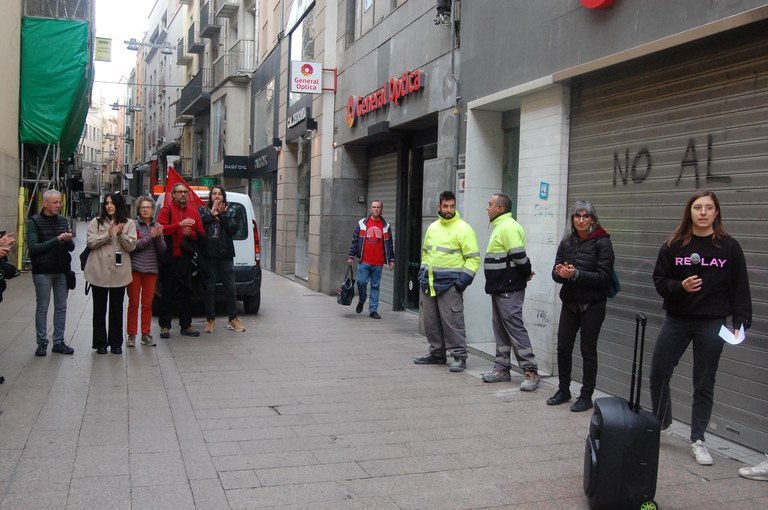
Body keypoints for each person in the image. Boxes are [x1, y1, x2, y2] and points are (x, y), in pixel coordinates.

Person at [649, 190, 751, 466]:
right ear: (689, 212)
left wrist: (741, 321)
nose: (703, 212)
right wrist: (679, 287)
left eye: (708, 208)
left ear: (716, 212)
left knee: (704, 382)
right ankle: (662, 421)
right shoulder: (674, 245)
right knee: (659, 371)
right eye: (697, 207)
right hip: (677, 319)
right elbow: (660, 281)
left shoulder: (729, 247)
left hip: (712, 323)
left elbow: (740, 287)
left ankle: (698, 439)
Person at [548, 200, 615, 412]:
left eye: (586, 216)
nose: (581, 220)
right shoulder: (567, 241)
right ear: (572, 219)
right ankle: (564, 389)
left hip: (593, 304)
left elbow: (603, 277)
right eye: (578, 216)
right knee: (563, 347)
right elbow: (555, 273)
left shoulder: (602, 242)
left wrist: (576, 274)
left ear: (593, 219)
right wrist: (560, 273)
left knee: (588, 350)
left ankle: (586, 396)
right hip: (570, 302)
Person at [413, 191, 480, 372]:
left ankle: (459, 356)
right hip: (429, 283)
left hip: (450, 285)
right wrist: (422, 274)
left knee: (453, 322)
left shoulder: (464, 229)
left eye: (452, 206)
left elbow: (473, 259)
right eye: (445, 206)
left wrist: (461, 284)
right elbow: (426, 253)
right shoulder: (433, 227)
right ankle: (437, 353)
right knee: (431, 322)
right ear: (439, 207)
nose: (449, 210)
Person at [481, 193, 541, 391]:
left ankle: (531, 372)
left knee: (514, 327)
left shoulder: (507, 227)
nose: (487, 208)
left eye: (490, 204)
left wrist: (525, 274)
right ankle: (502, 368)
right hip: (500, 287)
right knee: (500, 328)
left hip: (508, 287)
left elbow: (519, 256)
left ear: (500, 208)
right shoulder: (501, 226)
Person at [85, 192, 137, 354]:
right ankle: (100, 343)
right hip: (98, 269)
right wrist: (106, 235)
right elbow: (91, 242)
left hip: (119, 272)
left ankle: (115, 343)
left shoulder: (128, 223)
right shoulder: (96, 222)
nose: (109, 206)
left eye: (112, 203)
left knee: (116, 309)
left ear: (118, 205)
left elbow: (131, 246)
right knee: (99, 309)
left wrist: (121, 235)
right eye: (106, 203)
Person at [27, 189, 76, 357]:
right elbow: (33, 248)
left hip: (61, 270)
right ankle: (41, 343)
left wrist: (68, 241)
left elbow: (71, 248)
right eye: (55, 202)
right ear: (45, 203)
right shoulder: (34, 221)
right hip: (42, 271)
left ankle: (59, 342)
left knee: (61, 307)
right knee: (42, 307)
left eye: (60, 202)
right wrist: (57, 239)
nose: (58, 205)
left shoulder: (63, 220)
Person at [157, 183, 205, 338]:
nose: (183, 194)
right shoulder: (166, 210)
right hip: (169, 258)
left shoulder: (194, 213)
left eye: (185, 192)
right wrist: (179, 225)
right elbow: (160, 229)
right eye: (180, 192)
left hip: (186, 259)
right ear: (173, 195)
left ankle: (186, 325)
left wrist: (191, 233)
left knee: (186, 293)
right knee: (167, 293)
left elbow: (201, 235)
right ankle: (165, 325)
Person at [198, 186, 245, 333]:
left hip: (226, 255)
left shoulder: (231, 211)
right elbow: (199, 227)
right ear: (210, 196)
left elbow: (233, 229)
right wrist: (211, 214)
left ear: (223, 197)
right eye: (214, 194)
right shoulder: (203, 210)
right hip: (209, 256)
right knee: (210, 288)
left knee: (230, 288)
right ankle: (210, 320)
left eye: (219, 194)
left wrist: (223, 215)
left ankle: (233, 319)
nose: (217, 196)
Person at [126, 196, 166, 347]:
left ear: (153, 210)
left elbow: (162, 250)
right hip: (134, 269)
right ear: (138, 209)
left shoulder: (157, 226)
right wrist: (151, 236)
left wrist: (158, 237)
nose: (145, 210)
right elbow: (134, 246)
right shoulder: (133, 225)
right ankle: (131, 334)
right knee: (134, 303)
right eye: (143, 207)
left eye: (148, 207)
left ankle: (146, 333)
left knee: (147, 305)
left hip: (151, 270)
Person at [347, 200, 395, 320]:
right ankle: (362, 300)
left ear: (381, 209)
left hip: (378, 262)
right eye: (374, 207)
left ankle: (373, 310)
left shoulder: (386, 226)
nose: (376, 209)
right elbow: (355, 241)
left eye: (378, 207)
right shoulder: (362, 223)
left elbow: (389, 245)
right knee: (361, 282)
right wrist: (351, 256)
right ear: (370, 209)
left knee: (375, 286)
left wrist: (392, 260)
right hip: (364, 261)